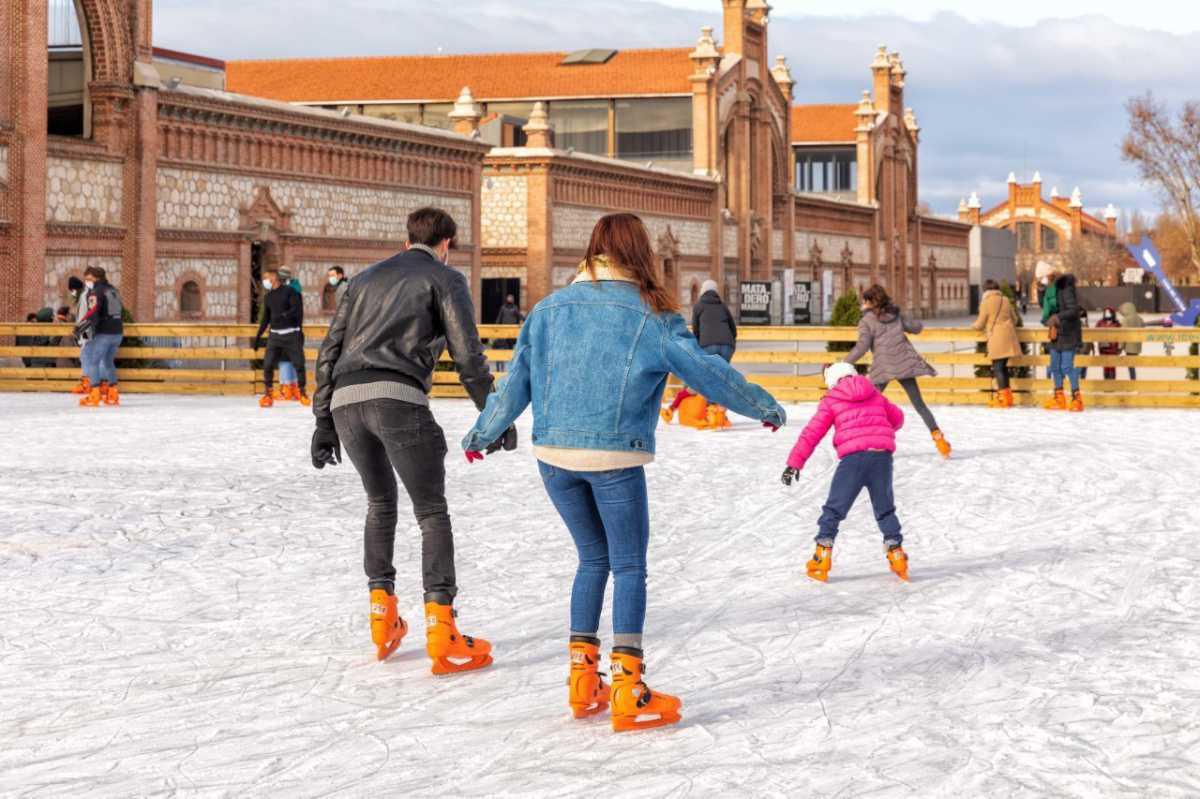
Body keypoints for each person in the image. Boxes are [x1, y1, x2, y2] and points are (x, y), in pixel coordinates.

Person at [462, 213, 786, 732]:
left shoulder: (548, 310)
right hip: (614, 459)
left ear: (593, 251)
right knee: (629, 566)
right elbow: (706, 370)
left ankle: (581, 680)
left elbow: (514, 383)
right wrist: (762, 405)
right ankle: (628, 687)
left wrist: (482, 435)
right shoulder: (652, 316)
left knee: (593, 561)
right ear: (640, 254)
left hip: (554, 460)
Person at [311, 207, 499, 672]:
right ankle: (443, 628)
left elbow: (330, 349)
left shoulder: (362, 281)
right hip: (398, 397)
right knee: (431, 511)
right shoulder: (444, 278)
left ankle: (383, 617)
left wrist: (322, 421)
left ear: (407, 238)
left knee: (380, 505)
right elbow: (468, 355)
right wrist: (494, 415)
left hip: (347, 403)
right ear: (446, 244)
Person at [782, 362, 909, 583]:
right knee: (885, 509)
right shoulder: (874, 392)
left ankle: (822, 556)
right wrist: (877, 426)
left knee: (834, 509)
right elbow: (897, 418)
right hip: (882, 457)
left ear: (831, 382)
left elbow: (812, 433)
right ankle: (896, 553)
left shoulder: (831, 400)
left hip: (854, 461)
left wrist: (795, 463)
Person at [844, 284, 951, 458]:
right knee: (920, 405)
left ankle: (868, 443)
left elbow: (861, 347)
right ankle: (939, 439)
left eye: (864, 300)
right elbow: (917, 327)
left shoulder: (866, 321)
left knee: (868, 405)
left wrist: (844, 363)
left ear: (870, 302)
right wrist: (904, 316)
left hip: (883, 367)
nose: (862, 303)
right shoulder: (895, 315)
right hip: (904, 364)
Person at [661, 279, 738, 427]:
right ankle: (717, 412)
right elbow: (733, 329)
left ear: (702, 291)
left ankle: (711, 413)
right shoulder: (723, 306)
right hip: (727, 346)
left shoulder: (699, 306)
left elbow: (696, 331)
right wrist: (730, 345)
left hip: (707, 346)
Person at [253, 269, 309, 407]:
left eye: (266, 277)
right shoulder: (269, 297)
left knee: (299, 364)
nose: (265, 281)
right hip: (275, 336)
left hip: (291, 334)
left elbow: (296, 309)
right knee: (268, 365)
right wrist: (258, 336)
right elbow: (265, 318)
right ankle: (268, 394)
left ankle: (302, 393)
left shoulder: (290, 292)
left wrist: (285, 316)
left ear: (274, 278)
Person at [74, 266, 124, 407]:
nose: (87, 281)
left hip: (104, 332)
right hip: (117, 332)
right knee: (108, 362)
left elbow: (93, 312)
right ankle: (113, 394)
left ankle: (94, 394)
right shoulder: (113, 290)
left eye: (89, 279)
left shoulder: (96, 292)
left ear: (95, 278)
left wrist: (80, 327)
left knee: (93, 362)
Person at [971, 279, 1021, 408]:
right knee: (1003, 367)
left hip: (996, 337)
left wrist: (973, 326)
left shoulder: (986, 302)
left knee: (998, 368)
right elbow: (1015, 319)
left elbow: (980, 323)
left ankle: (1002, 398)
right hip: (1009, 337)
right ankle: (1008, 398)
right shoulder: (1005, 300)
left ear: (986, 290)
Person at [1039, 266, 1084, 412]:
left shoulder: (1065, 288)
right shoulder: (1050, 290)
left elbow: (1073, 310)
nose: (1044, 280)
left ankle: (1077, 398)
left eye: (1045, 277)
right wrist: (1040, 291)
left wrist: (1058, 317)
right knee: (1054, 367)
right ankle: (1059, 398)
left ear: (1052, 276)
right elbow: (1045, 307)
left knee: (1066, 367)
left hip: (1069, 333)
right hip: (1056, 333)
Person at [273, 267, 304, 401]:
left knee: (285, 359)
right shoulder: (295, 290)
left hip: (287, 329)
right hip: (295, 330)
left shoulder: (289, 292)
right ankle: (293, 388)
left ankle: (287, 388)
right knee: (291, 359)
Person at [66, 276, 92, 395]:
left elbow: (83, 316)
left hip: (87, 332)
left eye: (72, 290)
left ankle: (88, 384)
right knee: (85, 357)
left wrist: (79, 330)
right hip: (86, 332)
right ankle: (87, 382)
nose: (72, 293)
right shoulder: (83, 295)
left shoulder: (83, 296)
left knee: (86, 357)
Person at [492, 293, 524, 371]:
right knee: (501, 349)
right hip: (504, 331)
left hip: (512, 332)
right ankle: (500, 368)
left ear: (513, 300)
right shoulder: (503, 308)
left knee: (512, 349)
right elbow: (499, 318)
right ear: (506, 299)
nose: (510, 299)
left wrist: (525, 320)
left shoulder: (515, 308)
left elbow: (519, 316)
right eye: (508, 298)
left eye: (511, 298)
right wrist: (495, 328)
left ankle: (512, 367)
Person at [1117, 302, 1143, 380]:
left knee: (1131, 366)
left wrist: (1120, 347)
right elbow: (1144, 328)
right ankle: (1133, 380)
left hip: (1129, 346)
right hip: (1137, 345)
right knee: (1132, 365)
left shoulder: (1126, 319)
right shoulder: (1139, 318)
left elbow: (1123, 335)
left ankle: (1132, 381)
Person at [1096, 307, 1122, 380]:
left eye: (1109, 312)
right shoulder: (1100, 322)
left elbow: (1121, 335)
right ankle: (1106, 384)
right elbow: (1095, 333)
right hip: (1103, 348)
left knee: (1112, 366)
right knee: (1105, 366)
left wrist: (1120, 347)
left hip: (1113, 348)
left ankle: (1112, 383)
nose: (1107, 314)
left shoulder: (1117, 323)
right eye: (1106, 312)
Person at [1076, 308, 1093, 381]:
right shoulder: (1076, 325)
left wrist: (1092, 347)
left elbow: (1089, 337)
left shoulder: (1086, 324)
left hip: (1086, 350)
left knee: (1084, 369)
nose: (1083, 317)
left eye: (1084, 315)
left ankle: (1082, 382)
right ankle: (1077, 384)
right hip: (1079, 350)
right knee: (1079, 368)